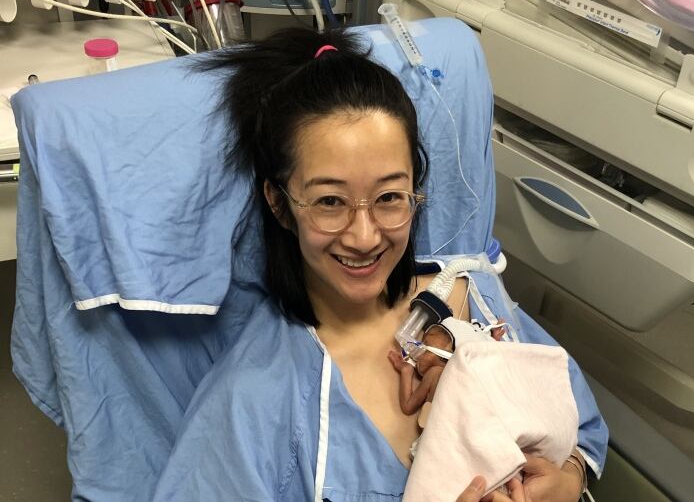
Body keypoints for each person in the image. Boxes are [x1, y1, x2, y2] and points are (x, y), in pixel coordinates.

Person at [151, 25, 607, 502]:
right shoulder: (256, 400)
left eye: (389, 196)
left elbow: (577, 418)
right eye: (330, 201)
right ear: (280, 204)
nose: (365, 236)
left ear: (416, 192)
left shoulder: (475, 294)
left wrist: (570, 476)